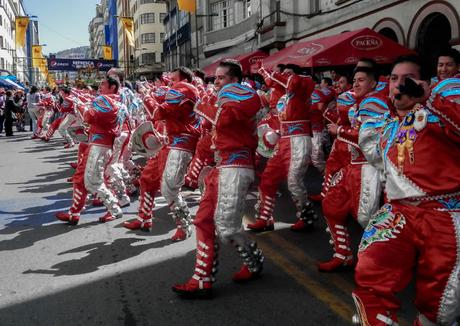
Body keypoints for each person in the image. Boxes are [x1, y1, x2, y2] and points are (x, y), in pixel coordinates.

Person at [352, 55, 460, 325]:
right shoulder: (379, 127)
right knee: (370, 270)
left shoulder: (438, 114)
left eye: (408, 79)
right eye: (394, 79)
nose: (400, 85)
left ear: (423, 82)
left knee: (441, 308)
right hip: (398, 213)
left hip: (444, 215)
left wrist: (430, 99)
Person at [172, 60, 264, 298]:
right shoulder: (225, 100)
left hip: (236, 167)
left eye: (221, 78)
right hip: (220, 167)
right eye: (215, 79)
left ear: (235, 80)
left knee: (227, 229)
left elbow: (224, 120)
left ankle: (254, 261)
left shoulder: (241, 98)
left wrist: (204, 102)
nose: (216, 83)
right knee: (203, 220)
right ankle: (202, 278)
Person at [318, 66, 387, 272]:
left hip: (368, 168)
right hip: (352, 167)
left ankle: (381, 263)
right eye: (355, 80)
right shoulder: (359, 104)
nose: (356, 84)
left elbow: (370, 139)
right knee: (331, 205)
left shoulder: (374, 103)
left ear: (373, 83)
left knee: (367, 218)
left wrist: (340, 130)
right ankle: (343, 254)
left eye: (362, 80)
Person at [247, 64, 317, 232]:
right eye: (283, 73)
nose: (285, 76)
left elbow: (294, 82)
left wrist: (273, 73)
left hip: (299, 140)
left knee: (293, 182)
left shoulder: (302, 87)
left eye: (288, 73)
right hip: (284, 140)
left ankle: (306, 216)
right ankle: (265, 218)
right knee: (268, 178)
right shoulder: (284, 96)